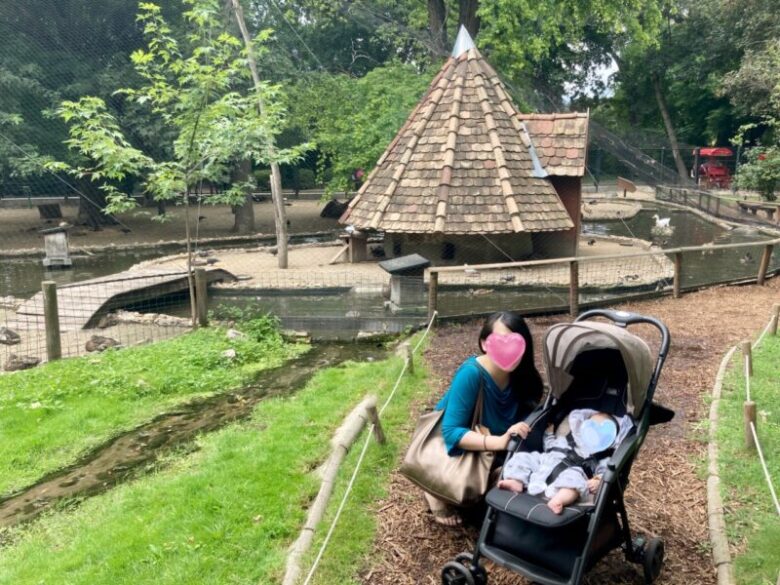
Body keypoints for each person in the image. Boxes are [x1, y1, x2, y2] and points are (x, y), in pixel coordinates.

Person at [425, 311, 544, 526]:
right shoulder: (471, 374)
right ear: (484, 344)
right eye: (500, 341)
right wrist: (499, 442)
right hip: (457, 446)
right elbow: (451, 431)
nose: (508, 349)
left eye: (516, 342)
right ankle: (435, 490)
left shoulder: (521, 376)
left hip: (496, 445)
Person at [497, 409, 633, 514]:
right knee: (525, 458)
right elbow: (549, 446)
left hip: (572, 473)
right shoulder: (566, 440)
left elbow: (605, 470)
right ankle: (517, 480)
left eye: (601, 432)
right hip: (545, 463)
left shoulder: (602, 457)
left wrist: (598, 480)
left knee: (577, 484)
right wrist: (548, 434)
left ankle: (559, 500)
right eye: (591, 427)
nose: (594, 433)